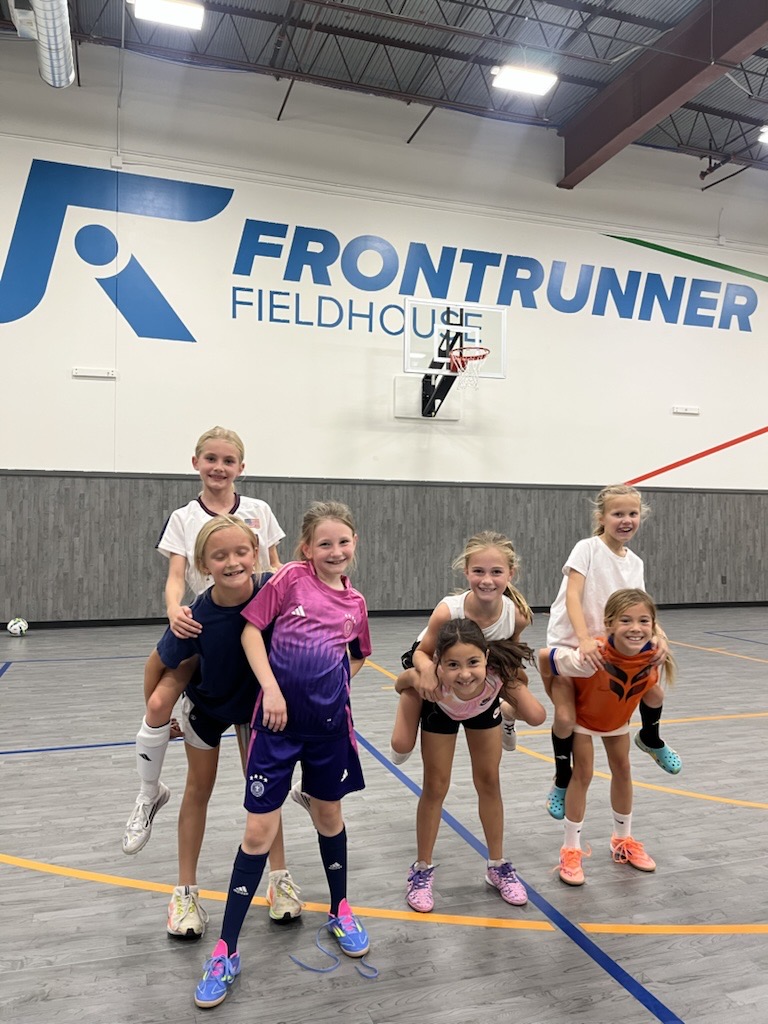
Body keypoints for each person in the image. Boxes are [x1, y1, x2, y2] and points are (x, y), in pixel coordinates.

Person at [193, 501, 372, 1010]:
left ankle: (340, 908)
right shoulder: (289, 580)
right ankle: (226, 949)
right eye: (324, 544)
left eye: (343, 542)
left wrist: (332, 690)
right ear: (306, 549)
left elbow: (356, 655)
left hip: (329, 731)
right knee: (257, 832)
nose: (335, 551)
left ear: (354, 544)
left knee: (328, 815)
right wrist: (271, 689)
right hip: (275, 728)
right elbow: (252, 631)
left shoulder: (355, 603)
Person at [121, 426, 301, 929]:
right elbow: (176, 576)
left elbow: (276, 567)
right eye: (211, 460)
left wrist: (291, 605)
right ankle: (157, 819)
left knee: (264, 787)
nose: (219, 468)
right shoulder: (184, 520)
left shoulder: (259, 513)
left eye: (229, 460)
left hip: (251, 640)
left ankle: (280, 876)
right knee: (161, 708)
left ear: (241, 466)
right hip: (202, 631)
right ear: (197, 462)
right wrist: (175, 611)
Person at [542, 484, 680, 821]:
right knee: (564, 718)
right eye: (618, 513)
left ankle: (650, 737)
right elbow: (574, 596)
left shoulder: (635, 562)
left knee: (655, 690)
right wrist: (585, 638)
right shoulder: (586, 549)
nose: (626, 520)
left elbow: (640, 606)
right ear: (601, 517)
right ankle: (562, 778)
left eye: (632, 514)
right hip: (573, 647)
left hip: (609, 651)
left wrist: (659, 635)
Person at [403, 618, 545, 914]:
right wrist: (419, 679)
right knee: (435, 787)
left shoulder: (496, 677)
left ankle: (497, 865)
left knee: (489, 782)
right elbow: (400, 682)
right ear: (439, 662)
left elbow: (532, 702)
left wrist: (514, 700)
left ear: (487, 658)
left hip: (483, 709)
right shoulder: (436, 681)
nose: (464, 673)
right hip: (440, 710)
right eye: (453, 664)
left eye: (472, 662)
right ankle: (421, 869)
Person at [541, 588, 677, 886]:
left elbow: (649, 691)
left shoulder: (653, 657)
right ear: (609, 623)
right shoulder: (593, 655)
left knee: (624, 770)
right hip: (585, 720)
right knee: (584, 774)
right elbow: (544, 658)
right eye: (626, 620)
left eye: (644, 621)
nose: (636, 628)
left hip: (616, 720)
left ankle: (622, 840)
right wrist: (561, 704)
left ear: (654, 627)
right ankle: (571, 849)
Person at [390, 530, 543, 763]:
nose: (487, 580)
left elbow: (512, 652)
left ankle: (506, 714)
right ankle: (412, 680)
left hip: (484, 663)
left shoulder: (517, 616)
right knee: (401, 749)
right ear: (467, 572)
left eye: (496, 572)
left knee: (535, 714)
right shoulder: (448, 611)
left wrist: (512, 681)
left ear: (511, 574)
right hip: (436, 662)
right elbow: (422, 652)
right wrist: (428, 673)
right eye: (478, 571)